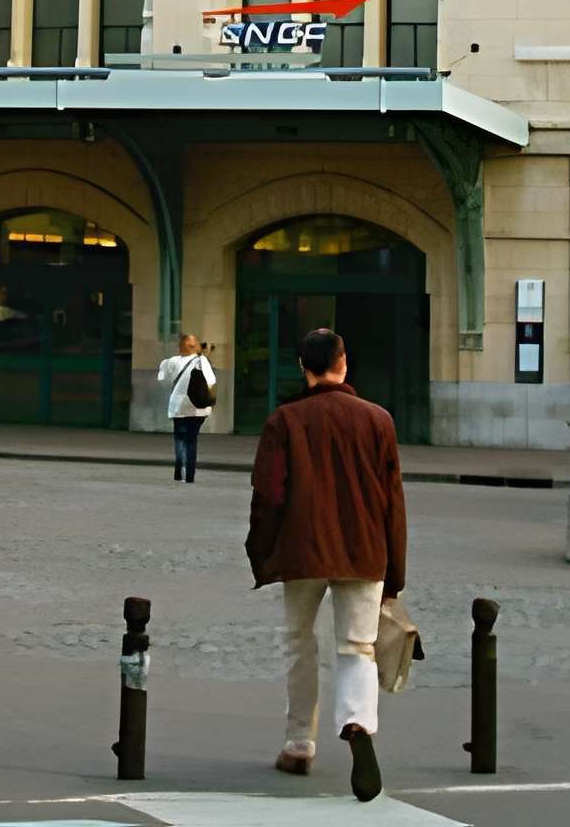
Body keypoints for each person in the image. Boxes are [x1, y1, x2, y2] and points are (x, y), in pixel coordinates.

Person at [247, 327, 407, 802]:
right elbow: (392, 504)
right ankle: (358, 726)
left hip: (302, 548)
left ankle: (299, 742)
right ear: (344, 362)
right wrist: (394, 573)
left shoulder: (285, 421)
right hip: (364, 549)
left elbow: (268, 496)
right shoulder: (379, 421)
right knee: (358, 646)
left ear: (303, 367)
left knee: (298, 640)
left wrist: (261, 553)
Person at [155, 334, 217, 483]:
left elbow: (162, 378)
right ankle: (189, 475)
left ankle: (178, 470)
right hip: (197, 407)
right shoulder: (202, 361)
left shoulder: (172, 362)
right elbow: (211, 381)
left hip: (178, 406)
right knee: (191, 440)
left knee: (179, 438)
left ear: (180, 347)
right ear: (195, 346)